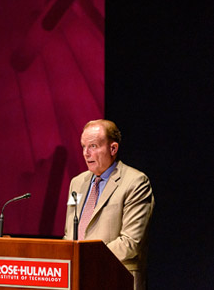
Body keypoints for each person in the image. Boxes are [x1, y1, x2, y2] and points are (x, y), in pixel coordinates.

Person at [64, 119, 154, 290]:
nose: (86, 153)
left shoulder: (135, 183)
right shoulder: (77, 183)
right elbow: (70, 234)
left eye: (93, 146)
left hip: (116, 278)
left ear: (113, 148)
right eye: (83, 146)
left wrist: (85, 257)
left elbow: (130, 243)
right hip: (77, 278)